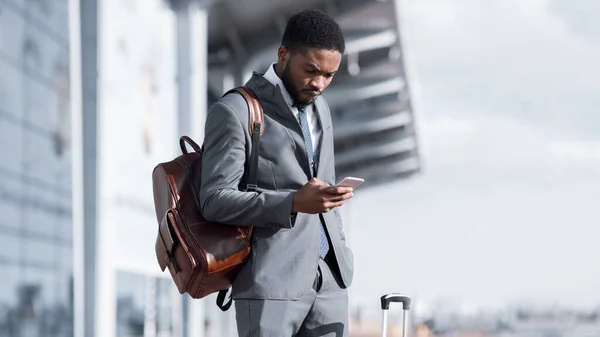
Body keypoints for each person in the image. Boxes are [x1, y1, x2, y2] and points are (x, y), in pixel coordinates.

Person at [200, 9, 355, 337]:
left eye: (329, 75)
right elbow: (214, 200)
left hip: (329, 281)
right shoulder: (236, 111)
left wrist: (339, 238)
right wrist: (293, 202)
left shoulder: (321, 108)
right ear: (283, 55)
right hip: (271, 282)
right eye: (311, 70)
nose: (319, 84)